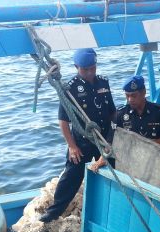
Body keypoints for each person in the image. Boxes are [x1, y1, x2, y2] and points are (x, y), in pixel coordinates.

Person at [40, 48, 116, 222]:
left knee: (114, 169)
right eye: (85, 69)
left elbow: (112, 112)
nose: (89, 72)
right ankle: (54, 212)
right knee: (72, 174)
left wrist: (112, 139)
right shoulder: (70, 88)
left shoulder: (103, 83)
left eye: (92, 68)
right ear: (76, 67)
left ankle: (110, 211)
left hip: (104, 139)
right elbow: (63, 121)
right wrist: (72, 146)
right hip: (82, 141)